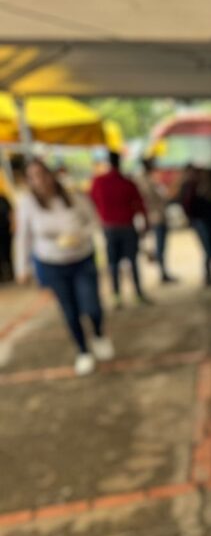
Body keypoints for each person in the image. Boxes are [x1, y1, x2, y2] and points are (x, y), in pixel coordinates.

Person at [14, 159, 113, 375]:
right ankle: (83, 351)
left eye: (42, 174)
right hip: (53, 264)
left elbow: (95, 221)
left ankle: (98, 334)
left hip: (82, 258)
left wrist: (79, 236)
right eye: (33, 177)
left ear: (51, 175)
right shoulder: (28, 203)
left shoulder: (75, 197)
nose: (39, 181)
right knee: (69, 310)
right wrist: (22, 268)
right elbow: (23, 237)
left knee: (92, 305)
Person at [89, 150, 150, 307]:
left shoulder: (99, 182)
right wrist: (146, 224)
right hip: (127, 227)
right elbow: (140, 206)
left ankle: (117, 296)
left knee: (113, 263)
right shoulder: (127, 182)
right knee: (132, 261)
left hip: (109, 228)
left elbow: (91, 202)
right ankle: (138, 293)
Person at [135, 158, 176, 283]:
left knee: (159, 246)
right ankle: (162, 272)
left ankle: (163, 271)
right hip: (155, 216)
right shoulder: (147, 182)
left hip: (153, 216)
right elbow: (153, 199)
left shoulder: (145, 180)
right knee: (159, 246)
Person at [0, 171, 13, 283]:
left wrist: (13, 225)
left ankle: (10, 273)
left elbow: (11, 213)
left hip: (5, 231)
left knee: (7, 253)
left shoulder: (3, 198)